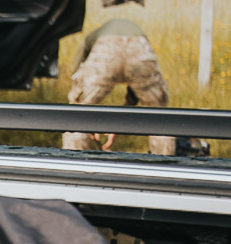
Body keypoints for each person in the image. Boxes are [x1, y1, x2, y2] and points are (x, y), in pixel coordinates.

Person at [61, 17, 176, 156]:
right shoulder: (137, 31)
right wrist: (122, 118)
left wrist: (87, 116)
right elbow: (138, 86)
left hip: (105, 50)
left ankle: (73, 162)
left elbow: (79, 64)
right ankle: (165, 164)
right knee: (160, 115)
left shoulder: (95, 34)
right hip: (139, 49)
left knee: (77, 114)